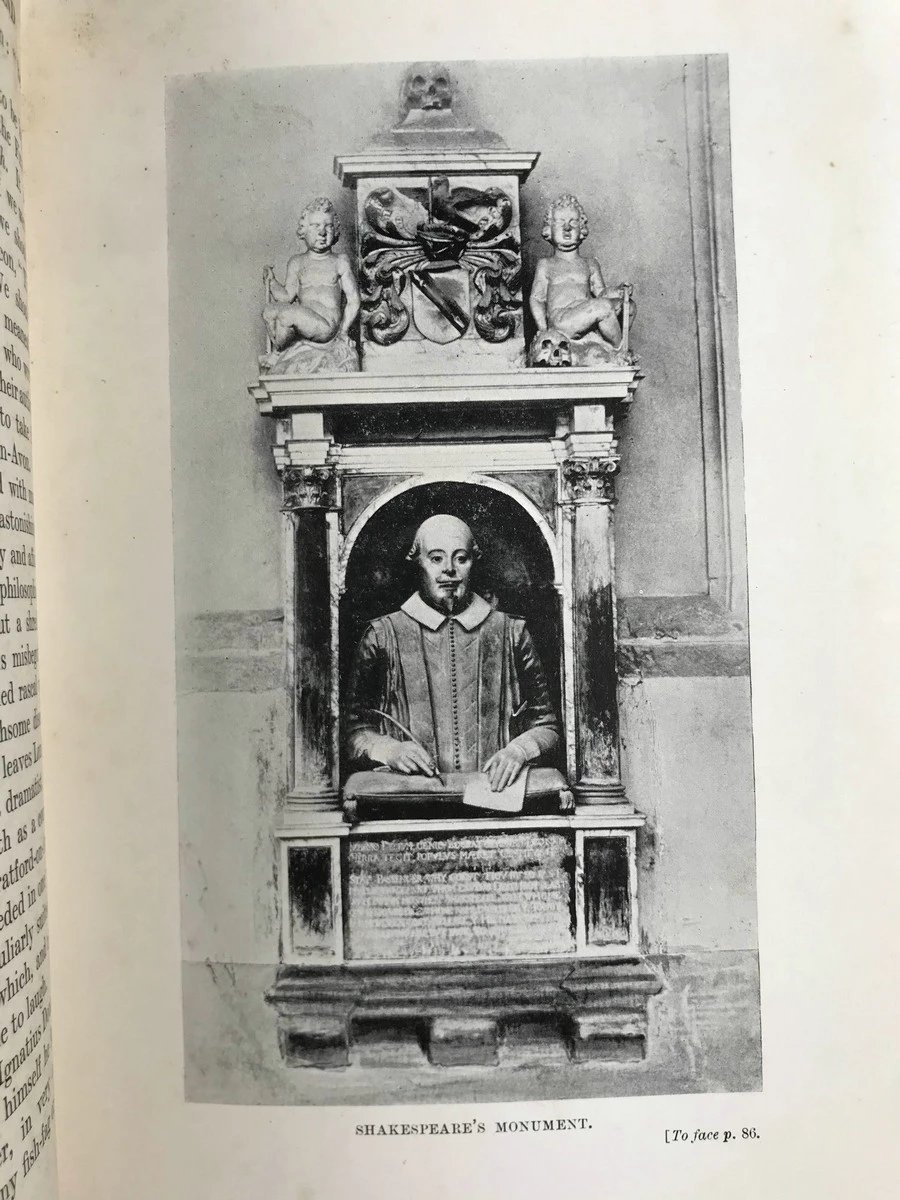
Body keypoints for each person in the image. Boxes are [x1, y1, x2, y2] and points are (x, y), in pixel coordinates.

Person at [346, 514, 560, 792]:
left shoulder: (512, 632)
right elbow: (353, 729)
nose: (449, 569)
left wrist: (519, 751)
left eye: (461, 558)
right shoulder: (382, 635)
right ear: (417, 562)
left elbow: (547, 726)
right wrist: (389, 750)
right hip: (413, 797)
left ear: (473, 562)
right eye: (436, 558)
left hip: (493, 794)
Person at [529, 193, 633, 357]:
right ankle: (619, 353)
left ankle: (610, 348)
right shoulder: (546, 264)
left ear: (581, 228)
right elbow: (537, 298)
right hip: (562, 321)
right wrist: (544, 330)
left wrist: (619, 291)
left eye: (573, 222)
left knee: (629, 306)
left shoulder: (590, 264)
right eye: (560, 222)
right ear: (549, 229)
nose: (567, 228)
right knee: (603, 307)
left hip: (585, 316)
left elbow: (602, 293)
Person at [263, 197, 360, 350]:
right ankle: (281, 352)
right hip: (303, 323)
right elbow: (286, 296)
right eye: (316, 226)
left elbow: (354, 300)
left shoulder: (339, 261)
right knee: (269, 311)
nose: (322, 232)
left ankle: (277, 354)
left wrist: (343, 332)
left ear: (335, 230)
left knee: (286, 315)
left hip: (326, 327)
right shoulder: (297, 262)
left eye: (328, 226)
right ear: (304, 230)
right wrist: (272, 281)